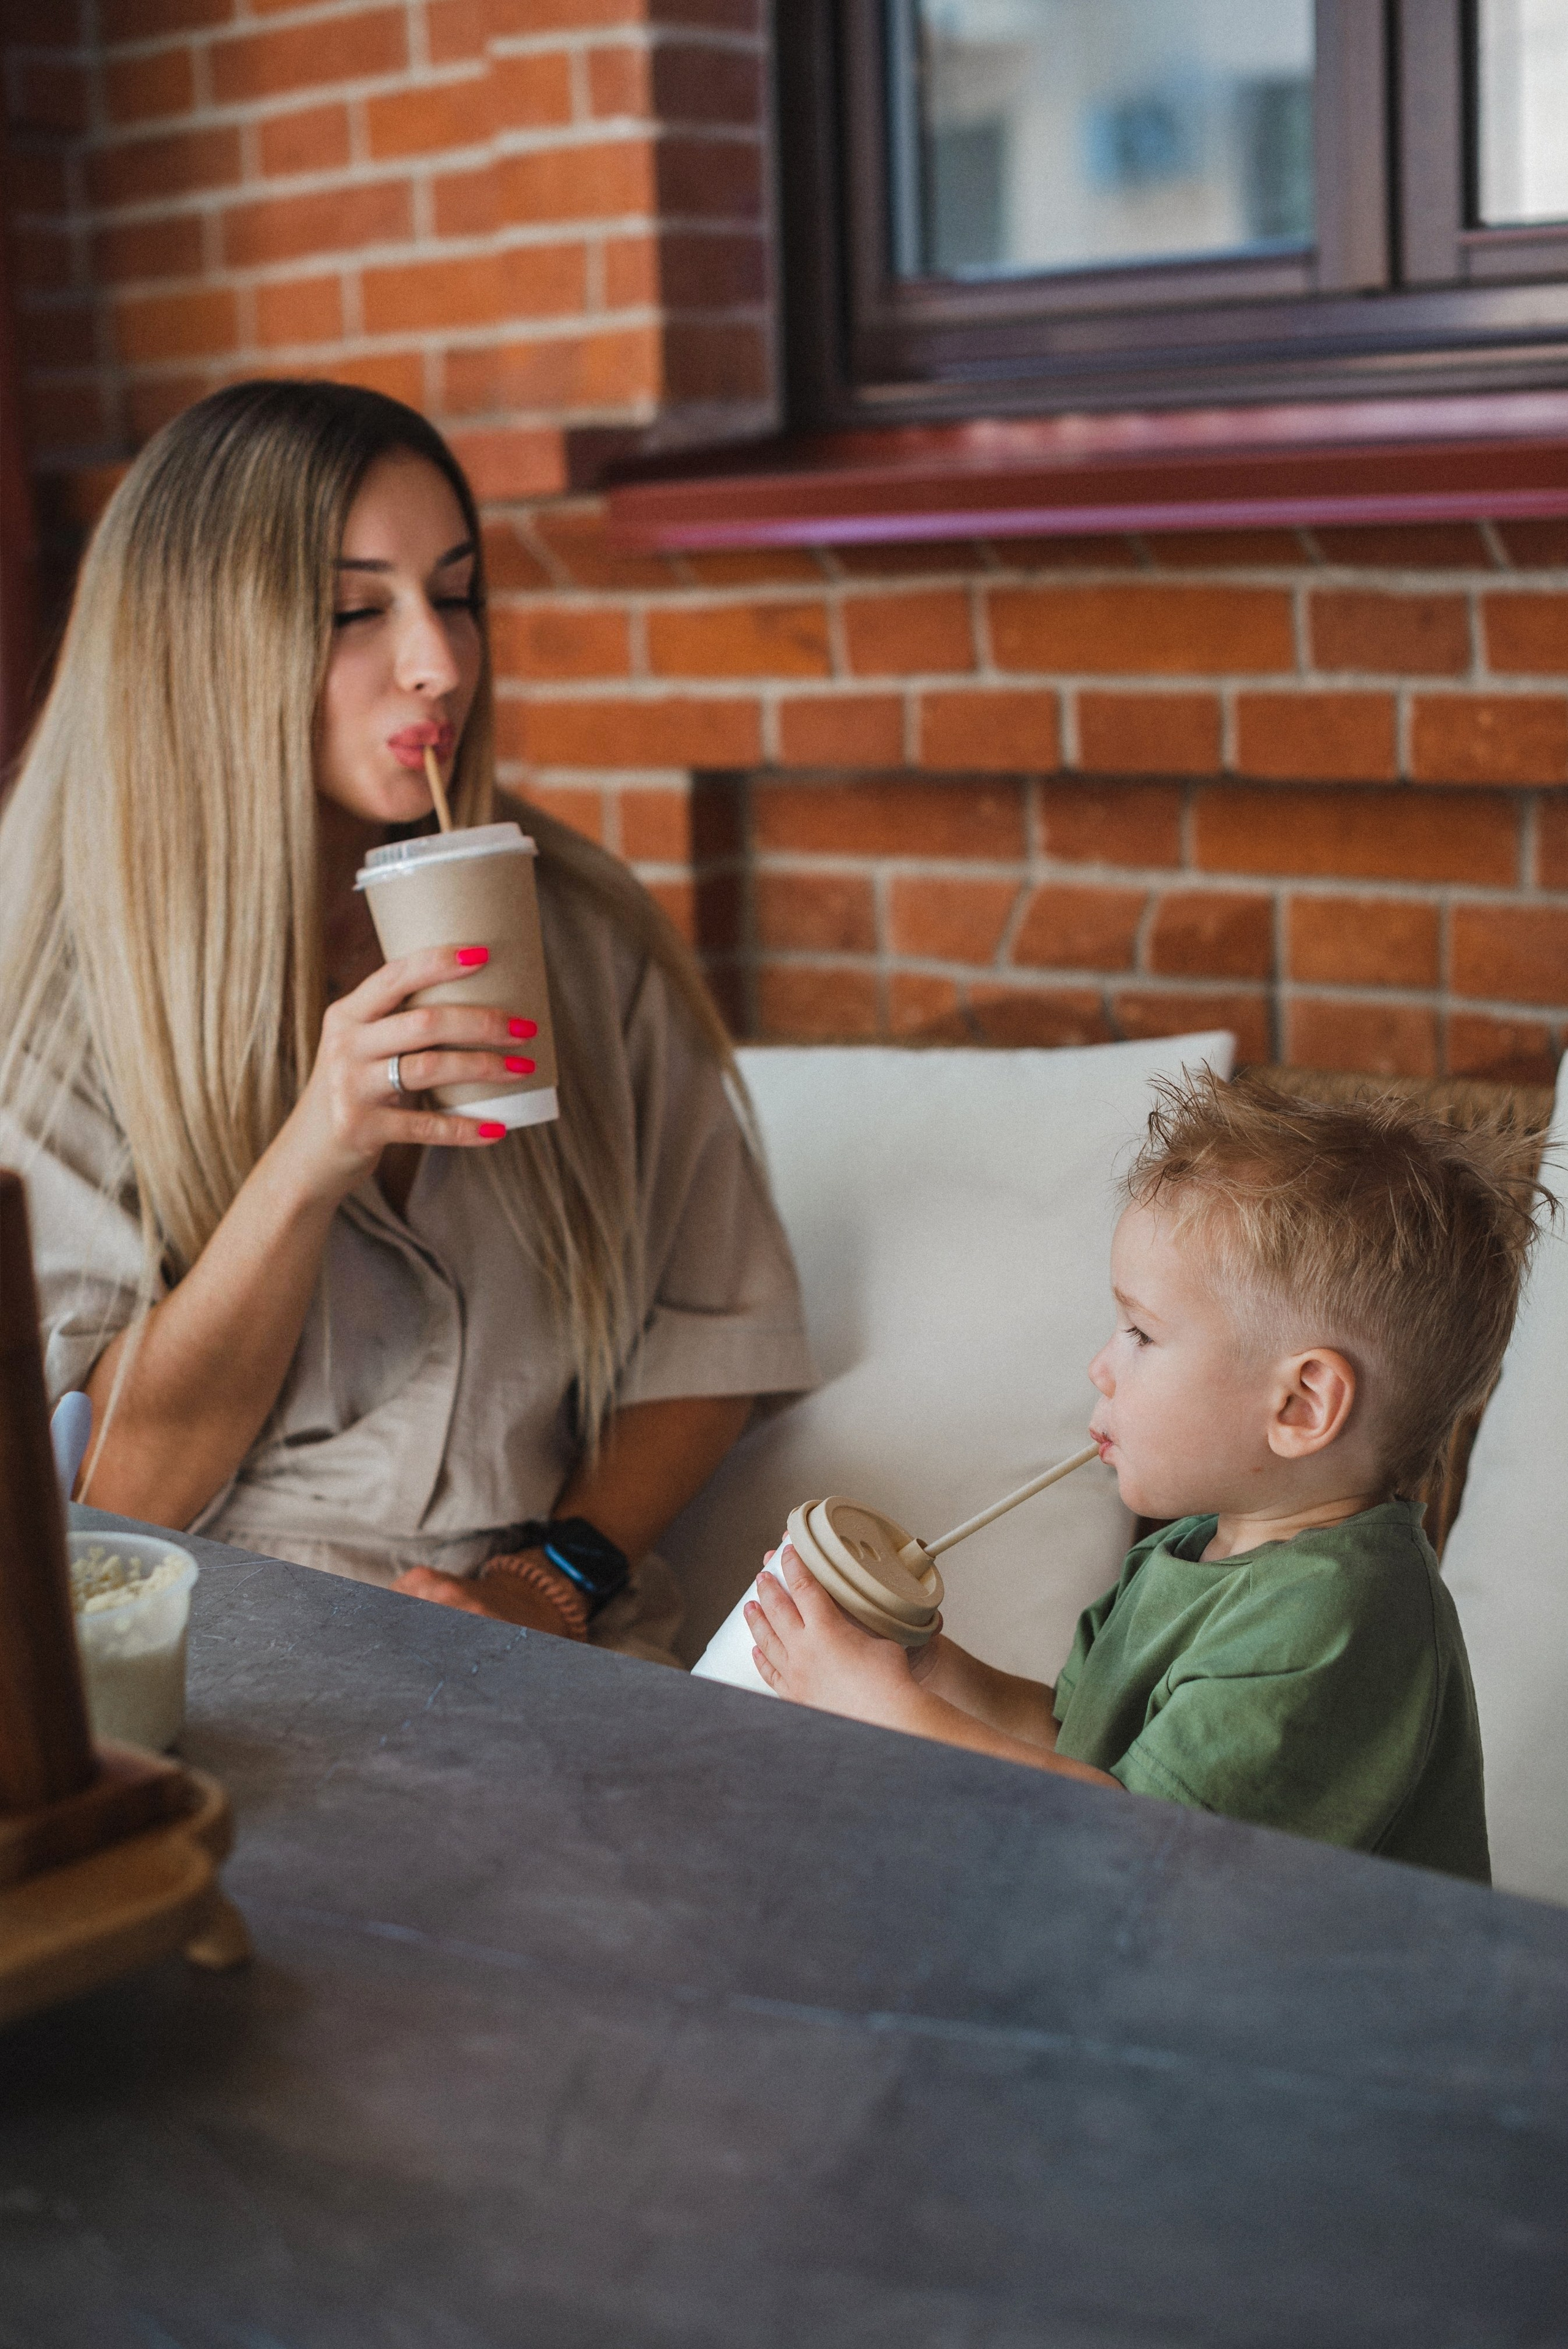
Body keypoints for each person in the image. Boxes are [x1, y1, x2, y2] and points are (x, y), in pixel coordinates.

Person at [0, 379, 812, 1662]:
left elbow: (712, 1341)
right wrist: (307, 1162)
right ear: (203, 641)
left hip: (543, 1655)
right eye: (355, 609)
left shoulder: (577, 934)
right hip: (221, 1656)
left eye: (457, 593)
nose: (436, 661)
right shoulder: (50, 985)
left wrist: (546, 1586)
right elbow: (107, 1496)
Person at [748, 1072, 1553, 1878]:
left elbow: (1133, 1843)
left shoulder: (1337, 1623)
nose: (1101, 1366)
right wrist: (928, 1669)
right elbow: (1078, 1736)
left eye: (1141, 1332)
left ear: (1302, 1402)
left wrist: (879, 1708)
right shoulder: (1196, 1550)